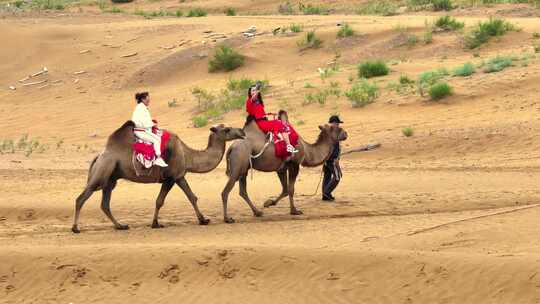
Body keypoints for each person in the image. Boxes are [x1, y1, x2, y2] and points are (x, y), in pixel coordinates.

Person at [246, 82, 298, 153]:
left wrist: (267, 114)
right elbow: (254, 97)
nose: (254, 92)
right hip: (261, 123)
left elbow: (259, 113)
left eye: (255, 90)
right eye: (252, 90)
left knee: (279, 123)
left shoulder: (258, 102)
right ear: (250, 92)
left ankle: (284, 144)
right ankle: (288, 145)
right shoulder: (249, 101)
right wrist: (258, 89)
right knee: (279, 124)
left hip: (264, 120)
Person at [131, 92, 168, 167]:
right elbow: (145, 123)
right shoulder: (141, 109)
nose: (149, 101)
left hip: (141, 129)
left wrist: (151, 123)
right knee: (157, 139)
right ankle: (158, 158)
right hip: (141, 131)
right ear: (142, 99)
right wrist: (153, 124)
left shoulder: (140, 107)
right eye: (147, 100)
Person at [322, 115, 344, 201]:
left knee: (327, 176)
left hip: (327, 159)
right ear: (333, 123)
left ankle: (325, 195)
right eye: (337, 123)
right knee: (337, 177)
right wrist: (335, 159)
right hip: (332, 159)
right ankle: (326, 193)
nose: (338, 125)